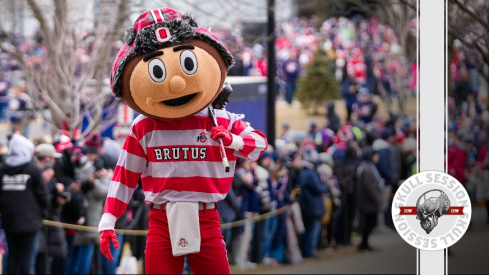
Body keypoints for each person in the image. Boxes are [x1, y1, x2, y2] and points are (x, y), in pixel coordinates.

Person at [98, 8, 267, 274]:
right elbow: (125, 176)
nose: (176, 85)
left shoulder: (220, 119)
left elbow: (258, 145)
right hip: (161, 218)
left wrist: (232, 140)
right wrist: (108, 220)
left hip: (207, 217)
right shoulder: (144, 126)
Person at [0, 134, 49, 274]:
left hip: (10, 220)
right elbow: (43, 195)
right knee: (27, 261)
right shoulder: (32, 169)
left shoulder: (2, 169)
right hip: (30, 222)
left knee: (12, 258)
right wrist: (42, 213)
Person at [355, 146, 383, 251]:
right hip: (368, 200)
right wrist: (377, 199)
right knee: (369, 222)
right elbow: (370, 186)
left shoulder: (368, 166)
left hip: (367, 200)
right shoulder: (366, 168)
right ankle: (364, 243)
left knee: (369, 222)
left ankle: (364, 242)